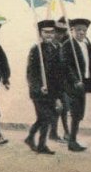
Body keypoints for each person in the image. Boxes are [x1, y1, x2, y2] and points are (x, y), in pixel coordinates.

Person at [25, 19, 64, 155]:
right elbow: (31, 73)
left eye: (52, 32)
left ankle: (30, 138)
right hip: (39, 92)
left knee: (45, 118)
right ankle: (41, 145)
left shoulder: (57, 48)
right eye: (46, 32)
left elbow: (58, 72)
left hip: (52, 91)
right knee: (45, 117)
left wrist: (58, 93)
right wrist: (38, 87)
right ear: (40, 33)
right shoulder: (36, 50)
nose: (49, 35)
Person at [59, 18, 91, 152]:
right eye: (79, 30)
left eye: (84, 30)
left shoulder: (86, 43)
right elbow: (66, 66)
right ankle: (72, 141)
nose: (82, 33)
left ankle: (73, 139)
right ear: (72, 30)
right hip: (72, 84)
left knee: (80, 112)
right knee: (76, 112)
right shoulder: (67, 45)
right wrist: (75, 80)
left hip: (84, 82)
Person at [49, 17, 71, 143]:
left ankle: (66, 133)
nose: (60, 35)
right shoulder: (48, 46)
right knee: (57, 108)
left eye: (62, 32)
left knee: (64, 108)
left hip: (62, 82)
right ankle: (53, 133)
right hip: (52, 82)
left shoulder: (61, 46)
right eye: (58, 32)